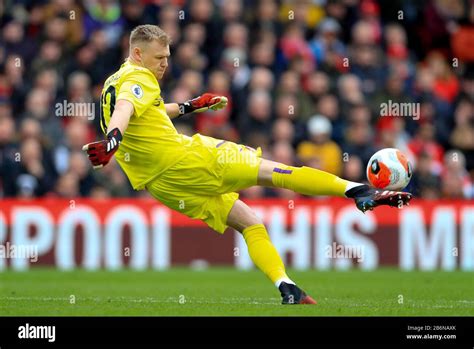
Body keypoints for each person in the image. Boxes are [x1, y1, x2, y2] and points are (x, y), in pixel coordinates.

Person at [83, 25, 412, 305]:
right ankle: (358, 191)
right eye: (160, 58)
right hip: (188, 159)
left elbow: (147, 111)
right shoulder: (139, 78)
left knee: (250, 223)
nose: (165, 64)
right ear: (138, 54)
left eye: (168, 57)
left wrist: (190, 105)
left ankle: (286, 287)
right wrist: (113, 142)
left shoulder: (115, 80)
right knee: (276, 172)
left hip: (162, 184)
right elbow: (126, 109)